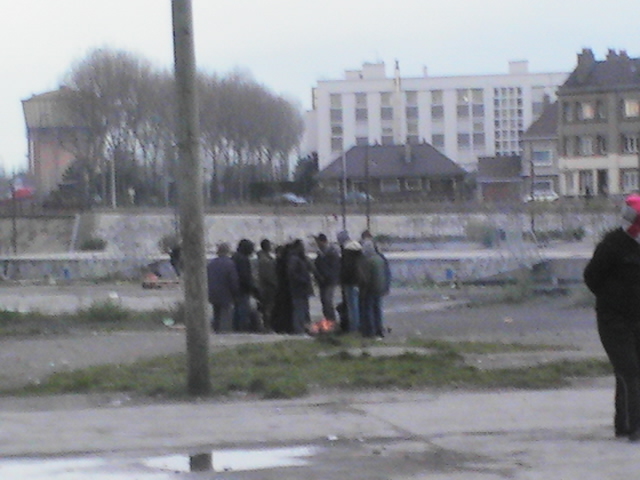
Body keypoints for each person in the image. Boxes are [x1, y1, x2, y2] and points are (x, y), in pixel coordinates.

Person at [584, 193, 640, 441]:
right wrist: (611, 300)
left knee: (629, 373)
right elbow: (592, 277)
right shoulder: (611, 245)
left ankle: (624, 425)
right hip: (613, 319)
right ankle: (635, 426)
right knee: (629, 370)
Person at [359, 238, 391, 338]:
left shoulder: (368, 261)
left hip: (371, 288)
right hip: (380, 288)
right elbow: (386, 273)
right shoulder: (380, 259)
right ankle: (379, 330)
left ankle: (370, 332)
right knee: (377, 310)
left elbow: (366, 277)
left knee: (368, 310)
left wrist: (362, 289)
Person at [206, 242, 239, 333]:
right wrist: (235, 293)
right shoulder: (230, 264)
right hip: (226, 294)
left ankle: (216, 331)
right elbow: (233, 281)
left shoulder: (211, 264)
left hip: (213, 293)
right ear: (227, 251)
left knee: (216, 314)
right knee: (225, 315)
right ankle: (224, 333)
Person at [338, 231, 365, 334]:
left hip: (350, 282)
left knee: (352, 308)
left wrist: (342, 280)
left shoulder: (347, 252)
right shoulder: (359, 250)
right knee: (358, 306)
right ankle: (359, 327)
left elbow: (346, 269)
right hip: (358, 282)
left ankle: (353, 329)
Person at [286, 239, 314, 334]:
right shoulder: (294, 259)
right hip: (298, 289)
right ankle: (299, 329)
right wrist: (303, 280)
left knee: (304, 309)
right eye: (301, 246)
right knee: (299, 310)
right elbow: (292, 273)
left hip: (303, 289)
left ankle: (303, 328)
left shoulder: (301, 258)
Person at [232, 238, 260, 332]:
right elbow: (245, 277)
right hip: (243, 290)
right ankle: (242, 330)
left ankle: (236, 329)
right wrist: (254, 288)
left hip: (235, 289)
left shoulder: (235, 257)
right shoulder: (243, 259)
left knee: (237, 311)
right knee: (243, 312)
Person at [313, 233, 341, 323]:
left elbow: (334, 268)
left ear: (323, 241)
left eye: (318, 242)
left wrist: (326, 276)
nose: (317, 244)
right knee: (324, 302)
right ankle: (327, 320)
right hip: (322, 281)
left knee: (328, 301)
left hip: (330, 281)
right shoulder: (320, 253)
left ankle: (331, 321)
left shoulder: (331, 253)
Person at [256, 238, 278, 331]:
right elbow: (268, 276)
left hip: (263, 287)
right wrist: (275, 284)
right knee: (268, 308)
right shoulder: (265, 260)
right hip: (267, 288)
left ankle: (266, 325)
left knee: (265, 308)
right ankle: (267, 326)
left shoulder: (261, 258)